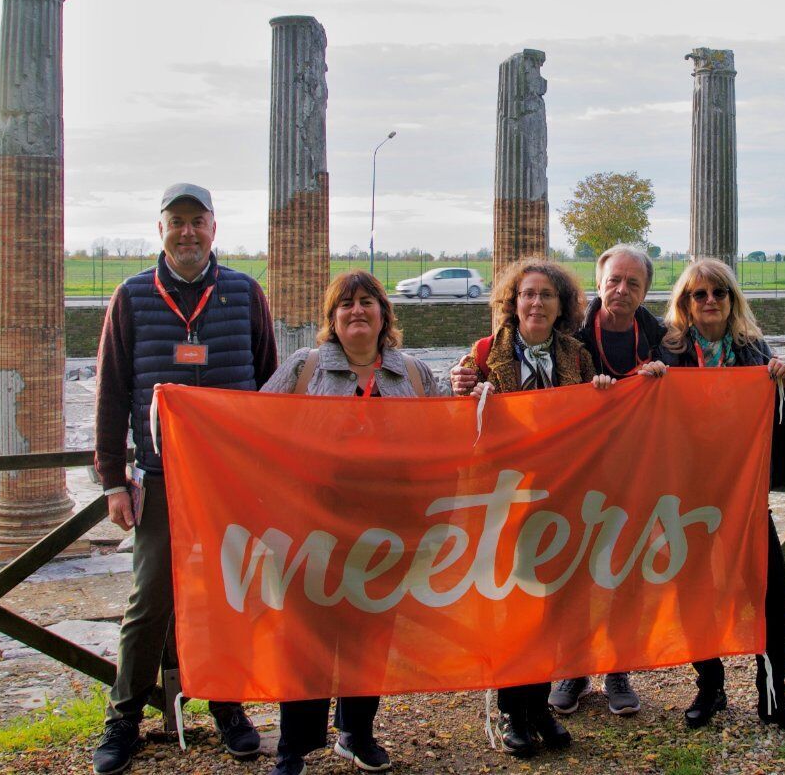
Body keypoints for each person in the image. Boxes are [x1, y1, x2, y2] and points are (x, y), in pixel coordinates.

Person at [91, 184, 278, 775]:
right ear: (161, 229)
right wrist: (111, 480)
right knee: (149, 602)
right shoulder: (131, 297)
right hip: (162, 478)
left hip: (232, 481)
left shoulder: (246, 293)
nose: (188, 232)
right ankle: (124, 719)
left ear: (214, 228)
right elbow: (112, 392)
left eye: (198, 222)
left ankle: (227, 706)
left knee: (229, 596)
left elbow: (269, 386)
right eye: (178, 222)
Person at [261, 271, 440, 775]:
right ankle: (293, 745)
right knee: (305, 639)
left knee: (370, 636)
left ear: (385, 314)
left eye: (367, 302)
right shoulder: (305, 367)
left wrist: (480, 388)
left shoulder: (414, 373)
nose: (357, 311)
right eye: (346, 304)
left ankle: (357, 732)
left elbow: (455, 421)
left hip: (385, 531)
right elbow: (255, 423)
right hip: (311, 528)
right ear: (332, 318)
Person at [454, 257, 615, 757]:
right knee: (511, 608)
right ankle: (512, 711)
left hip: (560, 500)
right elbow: (456, 415)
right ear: (513, 301)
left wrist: (606, 394)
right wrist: (462, 391)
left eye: (547, 294)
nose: (537, 303)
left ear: (561, 304)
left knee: (550, 609)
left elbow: (597, 418)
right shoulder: (484, 353)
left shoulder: (578, 354)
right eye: (528, 294)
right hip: (506, 501)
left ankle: (539, 704)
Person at [661, 258, 785, 737]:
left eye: (718, 293)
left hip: (744, 497)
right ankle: (710, 686)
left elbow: (783, 419)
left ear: (732, 300)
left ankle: (774, 695)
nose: (709, 302)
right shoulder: (670, 352)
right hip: (688, 495)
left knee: (773, 594)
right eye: (698, 295)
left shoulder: (753, 350)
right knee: (695, 593)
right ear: (684, 304)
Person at [554, 244, 667, 717]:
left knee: (625, 571)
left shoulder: (663, 337)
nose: (622, 290)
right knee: (575, 570)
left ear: (645, 292)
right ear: (598, 283)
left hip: (637, 471)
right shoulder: (571, 331)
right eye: (614, 280)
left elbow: (692, 391)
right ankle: (574, 667)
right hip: (579, 472)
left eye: (633, 283)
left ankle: (618, 666)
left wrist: (668, 378)